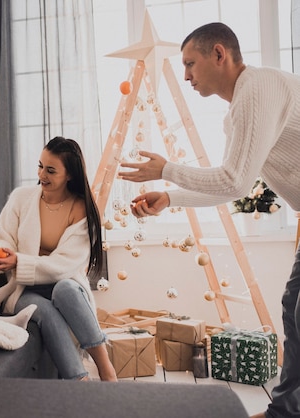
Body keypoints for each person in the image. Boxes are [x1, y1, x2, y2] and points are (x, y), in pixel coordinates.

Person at [118, 22, 300, 418]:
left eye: (190, 64)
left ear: (219, 54)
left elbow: (232, 178)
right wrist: (169, 198)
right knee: (293, 308)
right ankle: (286, 412)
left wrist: (167, 170)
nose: (185, 76)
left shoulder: (258, 89)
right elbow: (235, 187)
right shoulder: (238, 112)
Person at [0, 136, 118, 382]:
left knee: (65, 289)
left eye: (51, 170)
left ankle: (106, 368)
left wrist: (18, 262)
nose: (42, 174)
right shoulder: (21, 198)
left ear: (70, 175)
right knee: (42, 310)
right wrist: (3, 256)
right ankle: (80, 382)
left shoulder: (81, 210)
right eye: (40, 165)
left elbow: (65, 265)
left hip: (64, 281)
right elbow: (5, 238)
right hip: (24, 289)